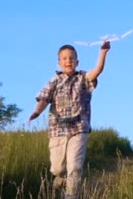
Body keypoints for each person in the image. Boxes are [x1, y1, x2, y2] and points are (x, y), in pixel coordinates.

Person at [29, 41, 110, 199]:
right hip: (57, 130)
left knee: (75, 167)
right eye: (64, 58)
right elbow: (44, 98)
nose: (68, 61)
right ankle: (59, 178)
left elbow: (97, 71)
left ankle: (71, 196)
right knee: (58, 168)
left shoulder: (83, 78)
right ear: (59, 62)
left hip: (79, 129)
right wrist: (37, 112)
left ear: (77, 62)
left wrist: (103, 53)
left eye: (71, 58)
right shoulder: (54, 81)